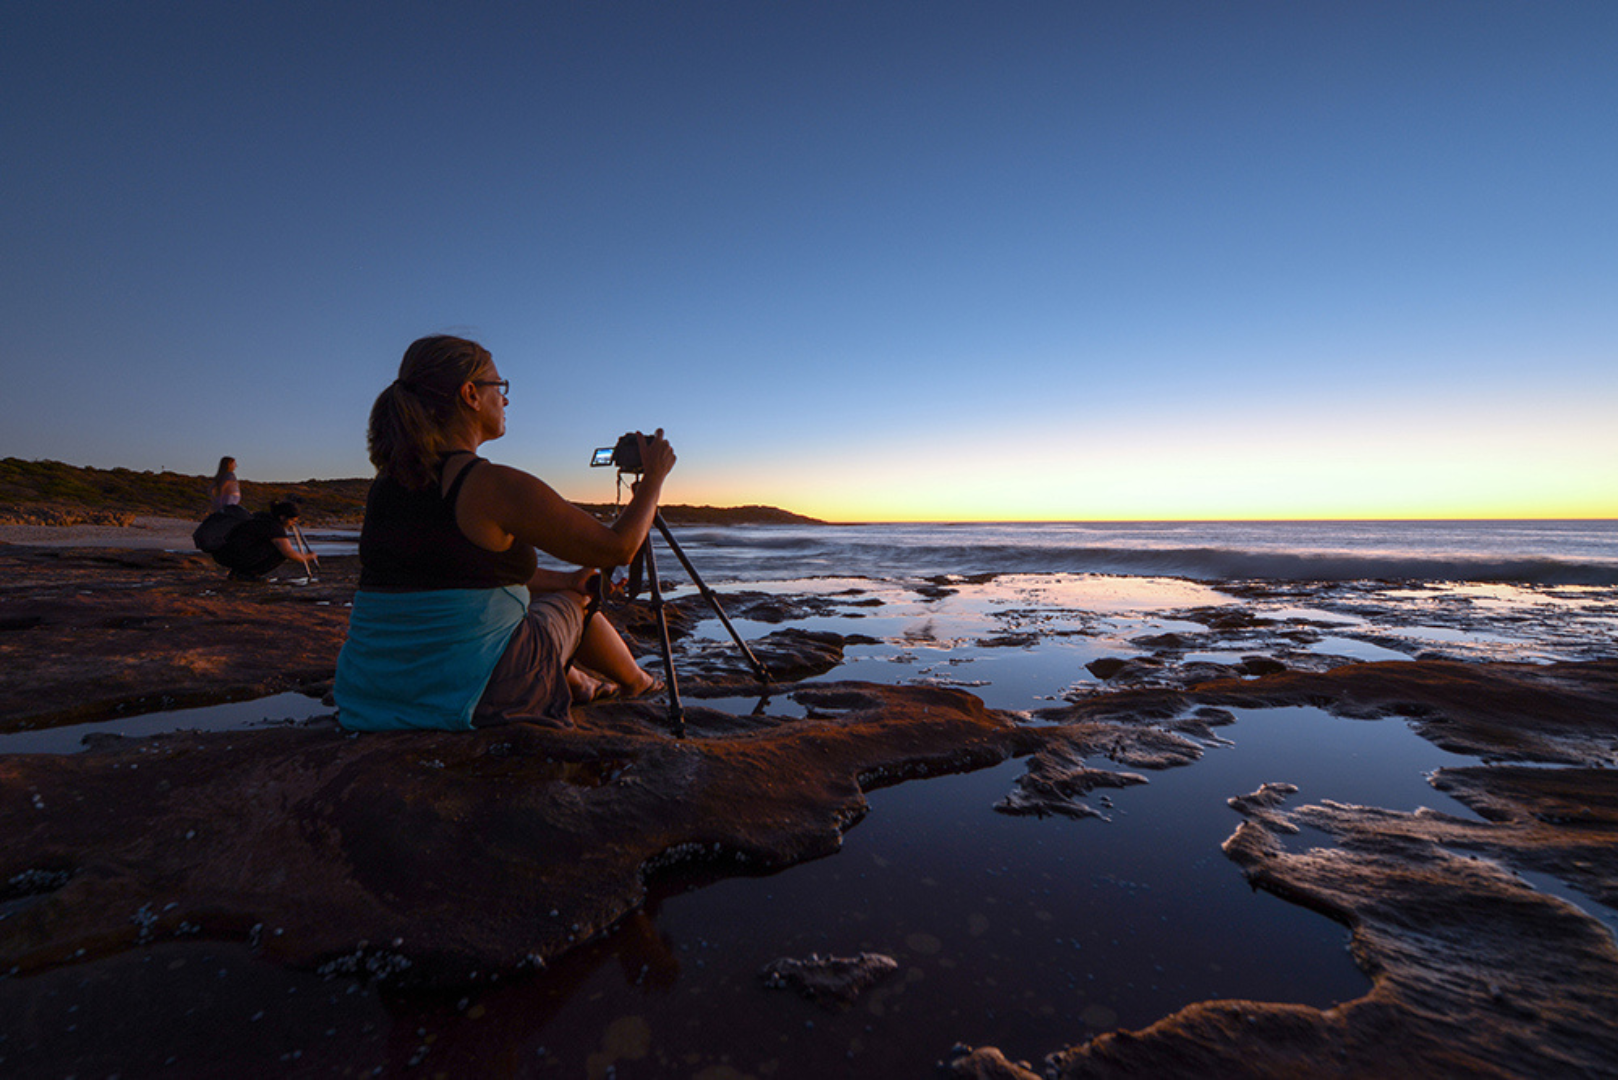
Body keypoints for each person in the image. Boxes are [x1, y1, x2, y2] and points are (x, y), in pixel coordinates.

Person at [333, 334, 675, 732]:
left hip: (373, 695)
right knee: (575, 605)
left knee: (546, 599)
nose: (506, 399)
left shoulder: (386, 485)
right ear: (470, 394)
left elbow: (462, 574)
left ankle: (579, 683)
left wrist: (565, 578)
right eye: (500, 386)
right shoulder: (492, 485)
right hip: (476, 699)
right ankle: (639, 684)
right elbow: (618, 549)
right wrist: (654, 479)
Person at [212, 500, 317, 581]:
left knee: (271, 546)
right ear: (282, 517)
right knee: (279, 551)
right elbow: (289, 553)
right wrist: (307, 557)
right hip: (232, 555)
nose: (293, 523)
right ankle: (247, 574)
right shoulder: (274, 527)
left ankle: (239, 572)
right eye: (292, 520)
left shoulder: (262, 517)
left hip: (222, 551)